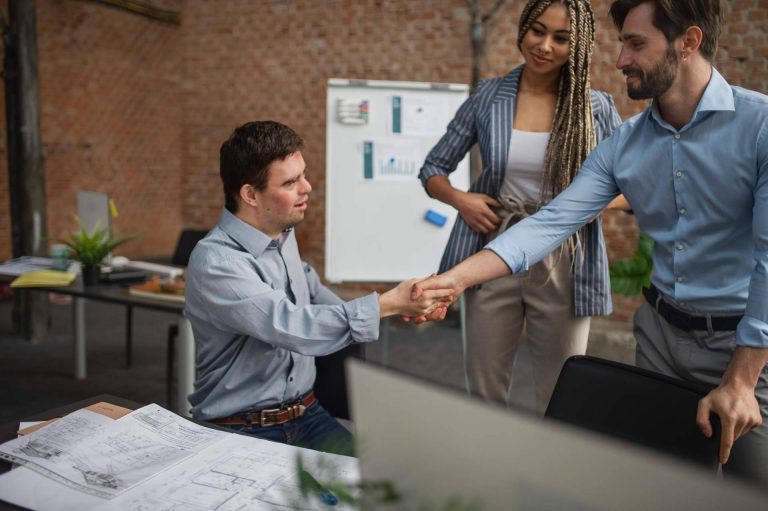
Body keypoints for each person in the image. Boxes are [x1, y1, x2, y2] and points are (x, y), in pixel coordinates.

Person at [413, 0, 768, 484]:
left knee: (749, 488)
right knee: (659, 484)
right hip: (660, 338)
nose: (620, 59)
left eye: (635, 44)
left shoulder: (760, 126)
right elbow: (551, 221)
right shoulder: (623, 145)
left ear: (688, 42)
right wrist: (451, 281)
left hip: (746, 346)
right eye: (622, 42)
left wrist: (743, 379)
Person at [185, 121, 452, 455]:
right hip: (245, 426)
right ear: (250, 194)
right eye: (291, 182)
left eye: (303, 175)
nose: (307, 187)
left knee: (379, 489)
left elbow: (311, 291)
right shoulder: (218, 262)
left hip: (307, 413)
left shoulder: (281, 235)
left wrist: (408, 303)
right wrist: (386, 305)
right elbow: (295, 327)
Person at [418, 0, 623, 414]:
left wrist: (580, 208)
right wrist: (461, 199)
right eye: (537, 30)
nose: (544, 45)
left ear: (578, 45)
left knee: (561, 391)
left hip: (565, 254)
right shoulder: (489, 96)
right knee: (485, 390)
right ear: (523, 30)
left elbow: (631, 187)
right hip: (493, 246)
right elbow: (433, 168)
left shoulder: (594, 107)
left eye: (561, 38)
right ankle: (487, 470)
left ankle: (551, 473)